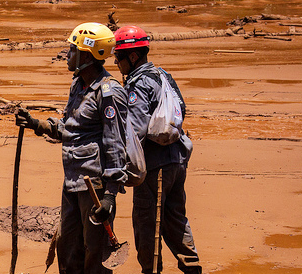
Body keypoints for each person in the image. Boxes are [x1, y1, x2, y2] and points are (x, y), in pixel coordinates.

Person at [16, 22, 128, 274]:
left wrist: (110, 194)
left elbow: (115, 143)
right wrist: (36, 124)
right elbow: (70, 127)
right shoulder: (78, 85)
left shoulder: (109, 92)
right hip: (72, 181)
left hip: (95, 186)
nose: (67, 55)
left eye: (72, 50)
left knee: (94, 253)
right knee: (67, 249)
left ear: (87, 55)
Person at [113, 25, 202, 274]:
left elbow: (135, 132)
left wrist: (123, 170)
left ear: (132, 57)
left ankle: (150, 271)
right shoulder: (163, 75)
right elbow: (181, 109)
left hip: (154, 168)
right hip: (177, 162)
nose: (116, 63)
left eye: (118, 58)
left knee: (146, 225)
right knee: (175, 219)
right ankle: (192, 266)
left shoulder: (139, 85)